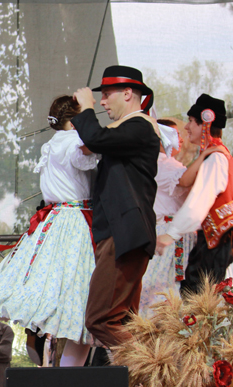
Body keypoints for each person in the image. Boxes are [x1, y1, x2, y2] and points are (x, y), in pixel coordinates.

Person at [0, 95, 98, 367]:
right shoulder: (74, 142)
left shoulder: (52, 143)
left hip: (54, 219)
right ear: (75, 119)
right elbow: (92, 150)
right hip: (73, 221)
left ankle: (61, 366)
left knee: (60, 291)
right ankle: (67, 368)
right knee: (76, 293)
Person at [71, 65, 161, 350]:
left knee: (101, 319)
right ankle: (144, 375)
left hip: (124, 235)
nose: (102, 102)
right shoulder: (129, 131)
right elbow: (97, 141)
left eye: (107, 94)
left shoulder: (140, 126)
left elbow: (97, 139)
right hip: (122, 235)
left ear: (128, 93)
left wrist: (86, 108)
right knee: (124, 321)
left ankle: (154, 365)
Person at [156, 94, 229, 294]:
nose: (186, 127)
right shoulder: (215, 154)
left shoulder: (215, 157)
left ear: (205, 123)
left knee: (196, 297)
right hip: (215, 239)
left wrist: (170, 234)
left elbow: (200, 200)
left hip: (216, 241)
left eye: (190, 121)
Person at [138, 120, 200, 315]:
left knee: (165, 284)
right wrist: (208, 154)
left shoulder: (165, 163)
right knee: (163, 285)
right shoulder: (161, 162)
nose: (180, 139)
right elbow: (184, 180)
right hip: (167, 232)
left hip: (172, 230)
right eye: (175, 134)